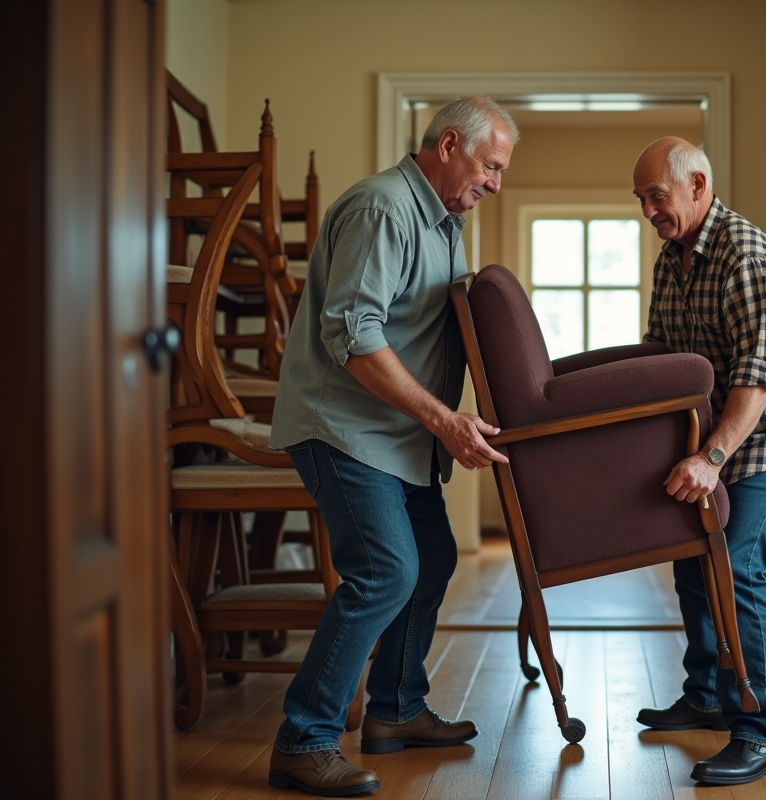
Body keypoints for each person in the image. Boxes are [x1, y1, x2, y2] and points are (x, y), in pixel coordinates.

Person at [265, 96, 519, 797]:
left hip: (396, 439)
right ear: (448, 145)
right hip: (344, 430)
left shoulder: (445, 223)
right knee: (386, 572)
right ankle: (303, 739)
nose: (496, 182)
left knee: (432, 559)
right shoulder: (382, 209)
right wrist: (445, 421)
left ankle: (397, 710)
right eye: (490, 165)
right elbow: (352, 336)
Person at [631, 137, 766, 786]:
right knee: (691, 562)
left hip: (765, 438)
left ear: (697, 184)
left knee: (735, 565)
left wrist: (712, 458)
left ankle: (763, 732)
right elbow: (660, 354)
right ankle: (708, 695)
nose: (648, 212)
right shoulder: (671, 259)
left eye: (656, 197)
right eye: (640, 201)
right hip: (708, 434)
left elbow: (759, 376)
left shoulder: (747, 254)